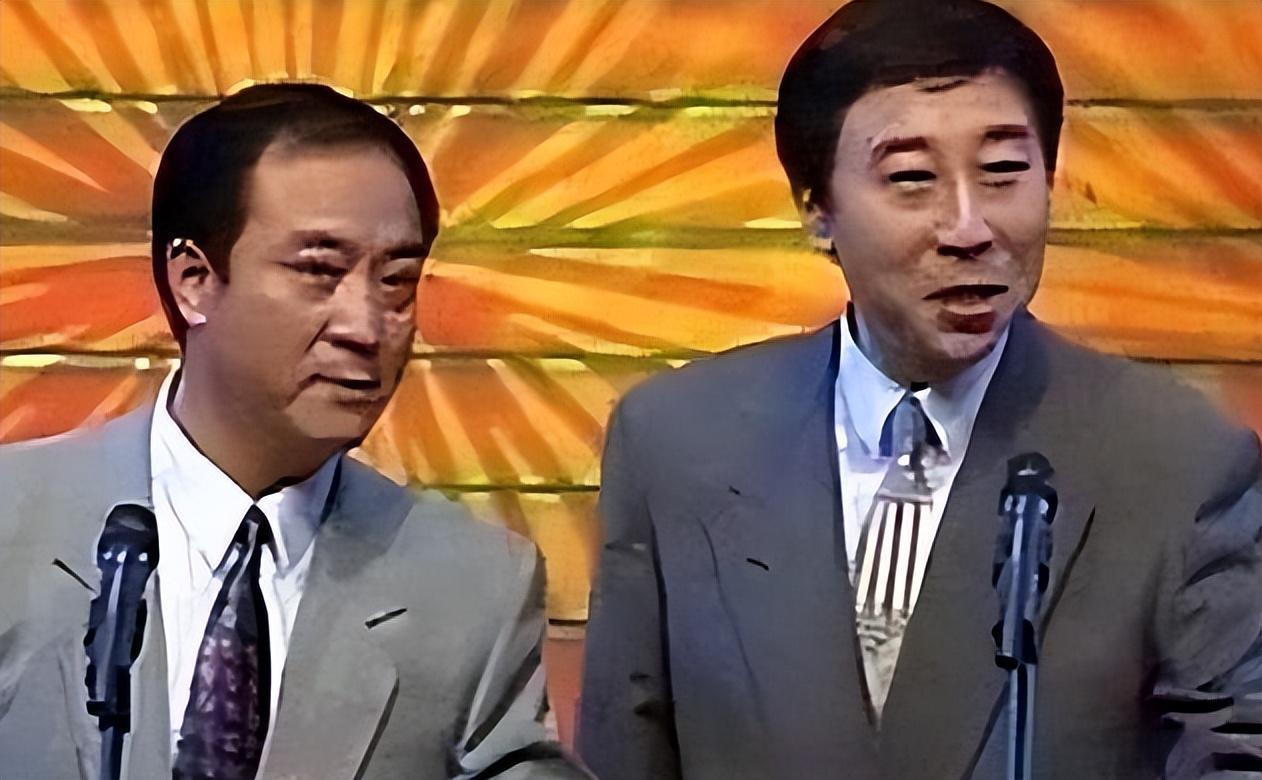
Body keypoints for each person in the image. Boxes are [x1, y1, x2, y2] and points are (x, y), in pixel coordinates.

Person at [577, 1, 1262, 777]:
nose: (969, 228)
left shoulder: (1177, 461)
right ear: (817, 210)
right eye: (912, 178)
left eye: (1003, 172)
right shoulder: (675, 442)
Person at [0, 83, 589, 780]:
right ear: (193, 279)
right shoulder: (14, 523)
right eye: (319, 271)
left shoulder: (473, 586)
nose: (365, 327)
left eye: (397, 282)